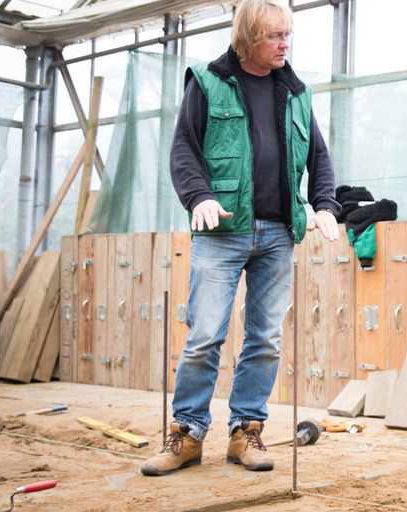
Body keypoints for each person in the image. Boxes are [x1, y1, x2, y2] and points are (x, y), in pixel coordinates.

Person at [142, 0, 341, 476]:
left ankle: (245, 432)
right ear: (249, 36)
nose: (284, 44)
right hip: (222, 231)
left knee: (265, 339)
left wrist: (327, 205)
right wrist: (198, 198)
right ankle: (187, 435)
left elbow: (319, 156)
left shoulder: (296, 92)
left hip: (277, 233)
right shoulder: (207, 81)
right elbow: (184, 148)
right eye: (275, 36)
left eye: (287, 36)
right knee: (205, 335)